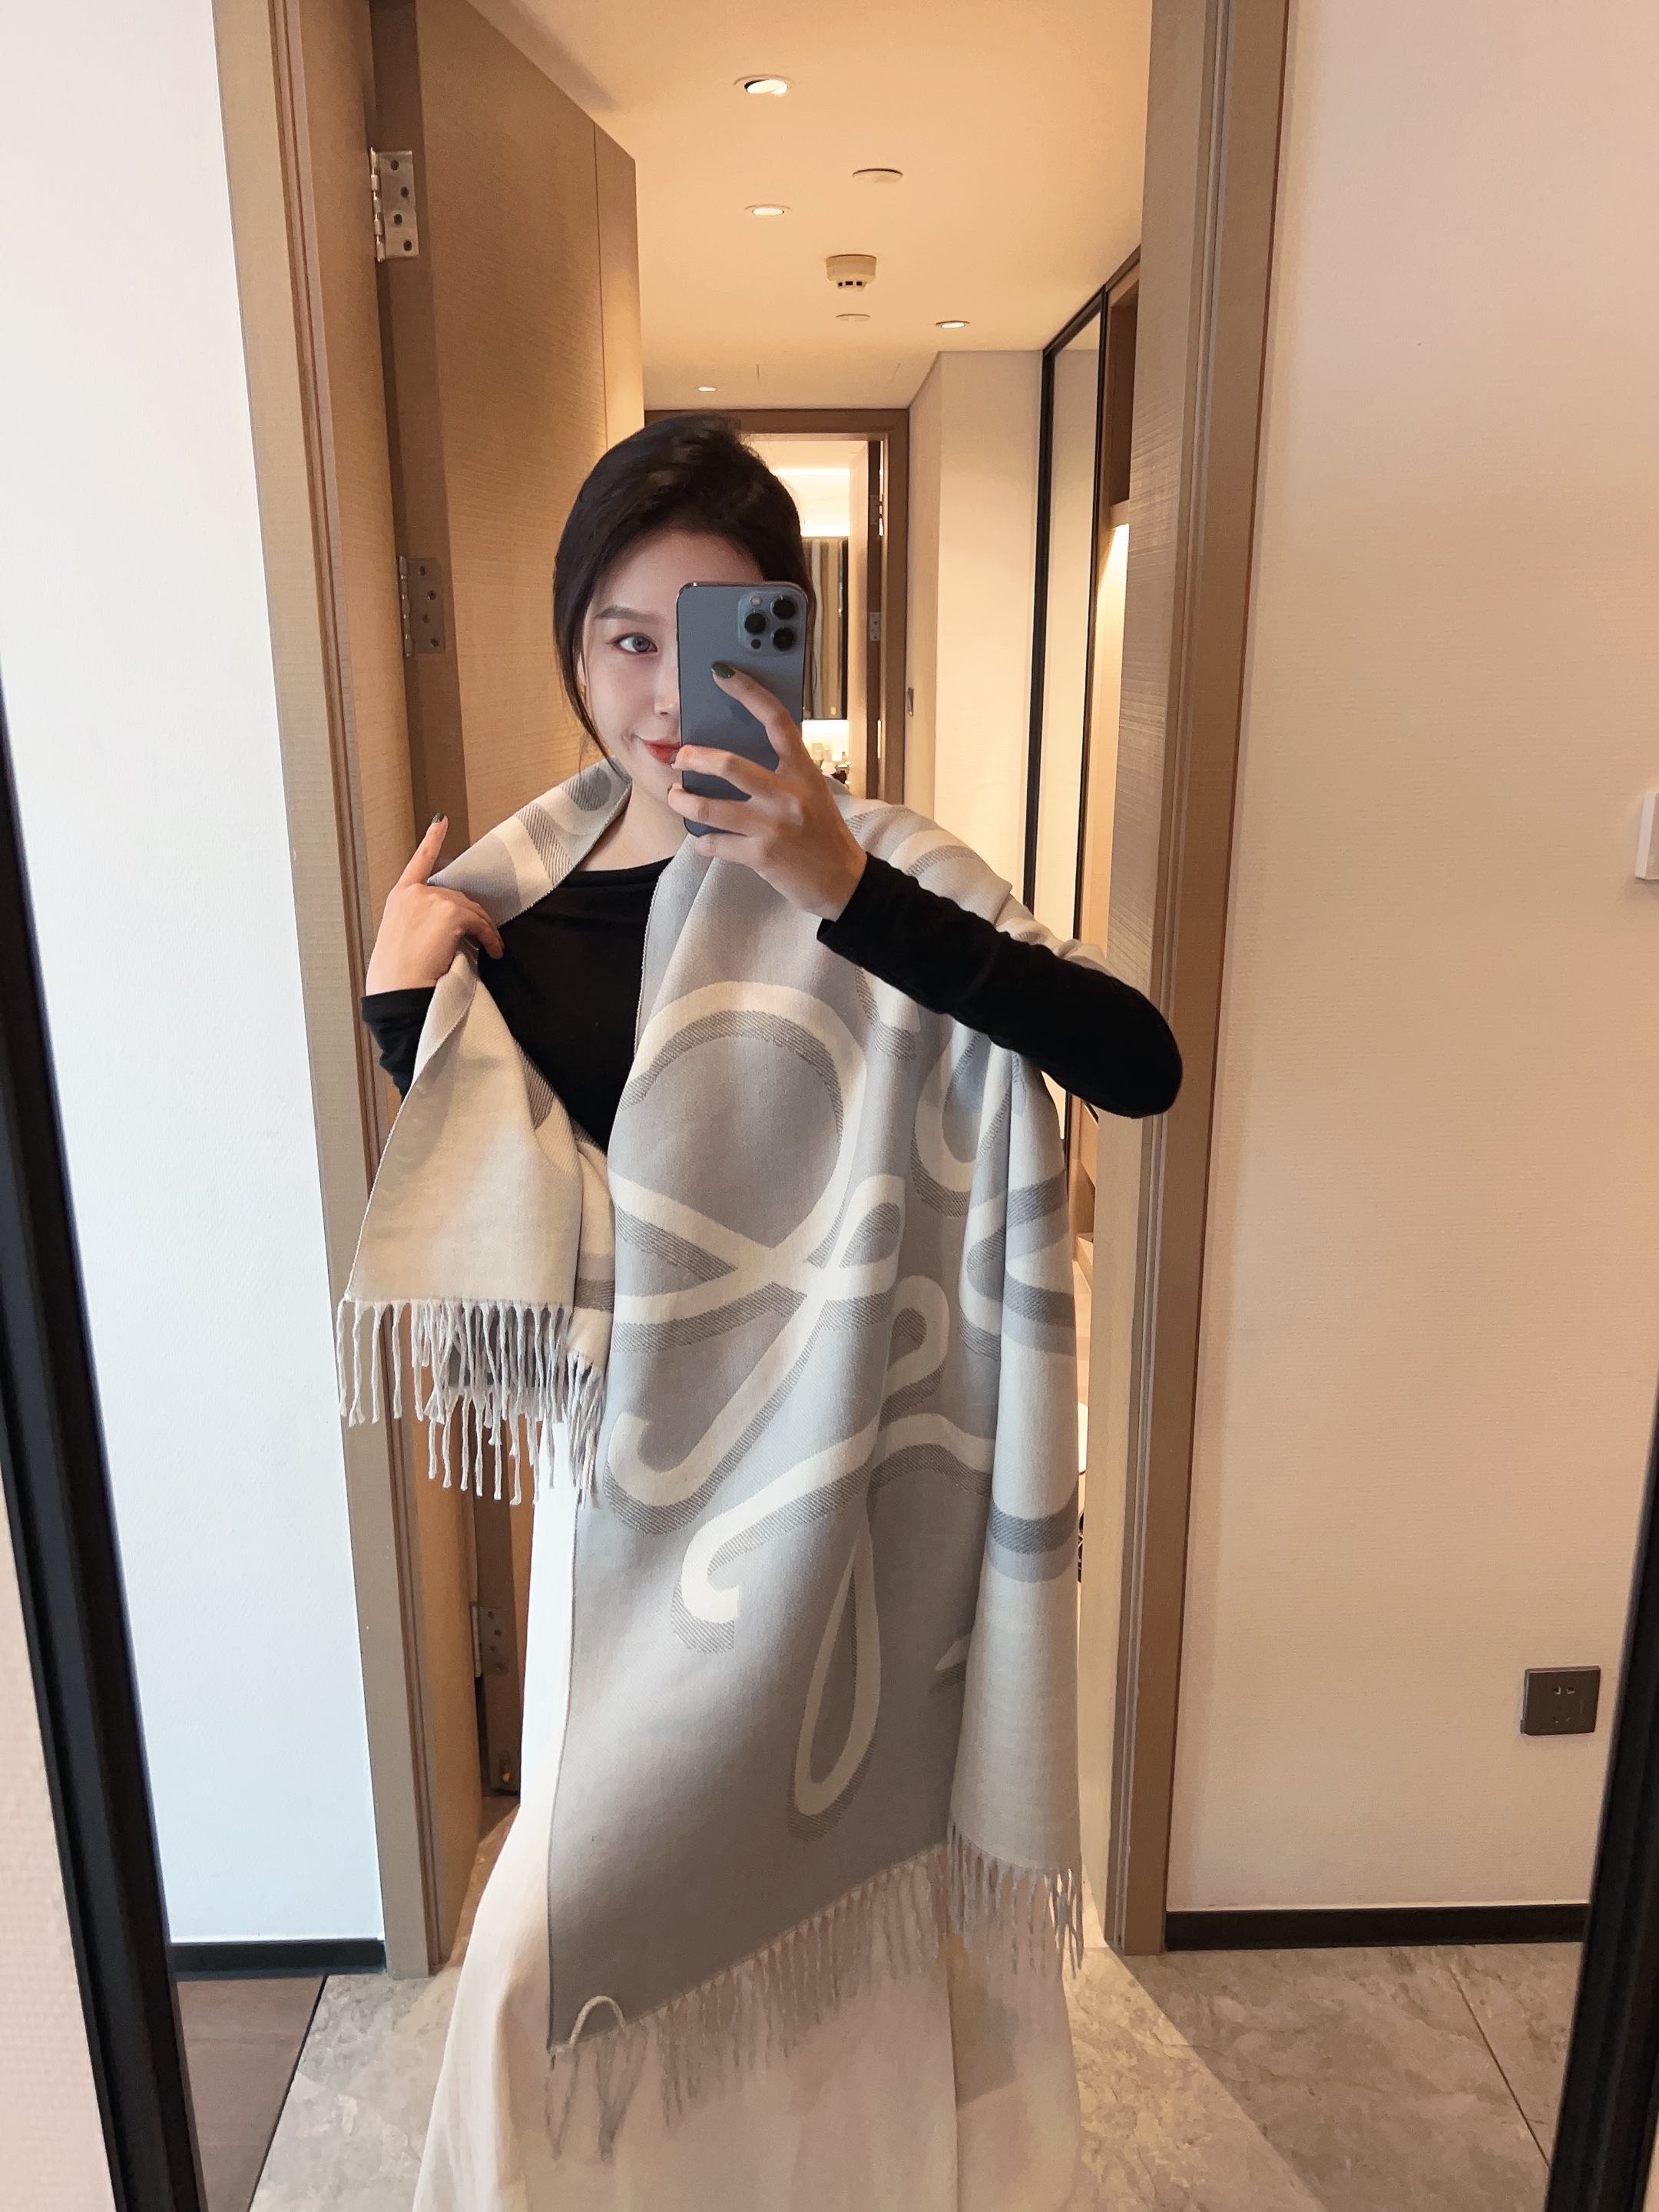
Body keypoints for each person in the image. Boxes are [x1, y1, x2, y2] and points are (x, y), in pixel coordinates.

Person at [348, 416, 1181, 2210]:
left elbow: (1135, 1060)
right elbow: (538, 1243)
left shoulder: (886, 866)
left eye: (717, 635)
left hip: (861, 1497)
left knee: (857, 1943)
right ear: (572, 648)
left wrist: (841, 893)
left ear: (788, 641)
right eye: (624, 639)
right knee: (551, 1953)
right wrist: (406, 1016)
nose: (666, 695)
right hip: (631, 1523)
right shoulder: (519, 910)